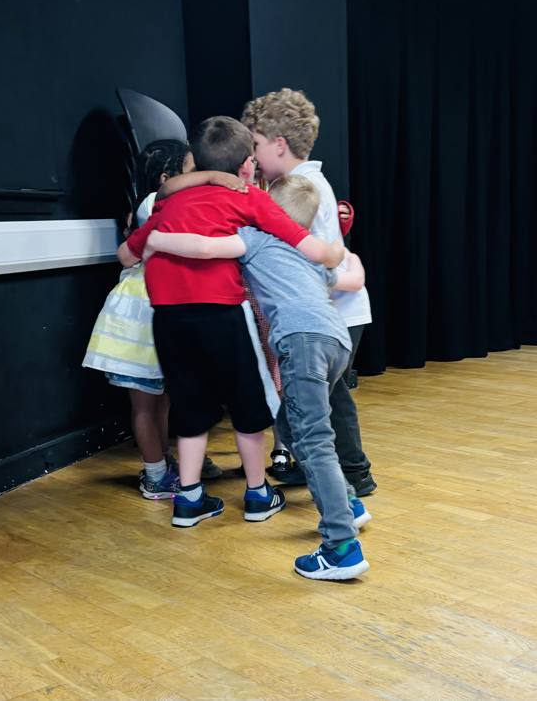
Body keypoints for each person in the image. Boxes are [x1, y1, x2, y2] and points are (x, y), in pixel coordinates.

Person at [118, 116, 344, 528]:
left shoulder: (167, 205)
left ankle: (188, 501)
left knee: (189, 405)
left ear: (195, 160)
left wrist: (154, 244)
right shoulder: (248, 197)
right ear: (245, 165)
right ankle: (258, 494)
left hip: (169, 318)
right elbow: (304, 243)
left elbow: (125, 256)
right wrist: (335, 254)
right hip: (222, 313)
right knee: (248, 404)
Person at [146, 174, 371, 579]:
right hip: (336, 342)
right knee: (290, 423)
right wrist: (344, 254)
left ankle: (341, 547)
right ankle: (348, 502)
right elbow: (352, 279)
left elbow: (203, 247)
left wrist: (156, 238)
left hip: (302, 343)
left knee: (312, 439)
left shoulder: (256, 238)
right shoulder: (307, 254)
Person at [242, 89, 377, 496]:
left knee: (330, 400)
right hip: (330, 311)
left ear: (279, 144)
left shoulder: (301, 187)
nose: (253, 156)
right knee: (322, 398)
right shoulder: (302, 183)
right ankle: (319, 466)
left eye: (256, 145)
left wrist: (341, 279)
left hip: (334, 312)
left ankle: (355, 474)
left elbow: (313, 261)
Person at [82, 140, 221, 500]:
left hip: (158, 307)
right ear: (166, 178)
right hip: (140, 313)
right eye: (191, 170)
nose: (197, 176)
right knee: (145, 402)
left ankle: (161, 463)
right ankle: (154, 474)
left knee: (161, 399)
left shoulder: (159, 205)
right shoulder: (154, 204)